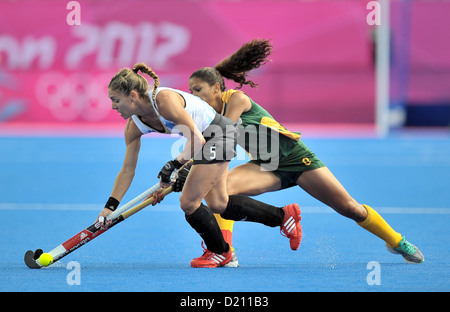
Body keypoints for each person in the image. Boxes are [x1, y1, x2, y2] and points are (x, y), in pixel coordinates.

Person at [176, 39, 423, 266]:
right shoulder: (208, 117)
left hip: (296, 159)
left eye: (198, 90)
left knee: (350, 208)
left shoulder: (237, 99)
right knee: (219, 192)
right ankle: (226, 252)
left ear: (217, 88)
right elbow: (209, 146)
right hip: (265, 164)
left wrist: (196, 167)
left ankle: (396, 241)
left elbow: (223, 136)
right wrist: (185, 169)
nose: (192, 96)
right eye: (190, 91)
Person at [96, 62, 302, 268]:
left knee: (188, 202)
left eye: (116, 100)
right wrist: (110, 207)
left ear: (133, 96)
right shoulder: (133, 126)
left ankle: (220, 252)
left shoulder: (164, 100)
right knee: (219, 204)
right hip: (205, 140)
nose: (113, 106)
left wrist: (175, 165)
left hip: (219, 134)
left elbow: (197, 139)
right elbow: (127, 169)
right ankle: (284, 216)